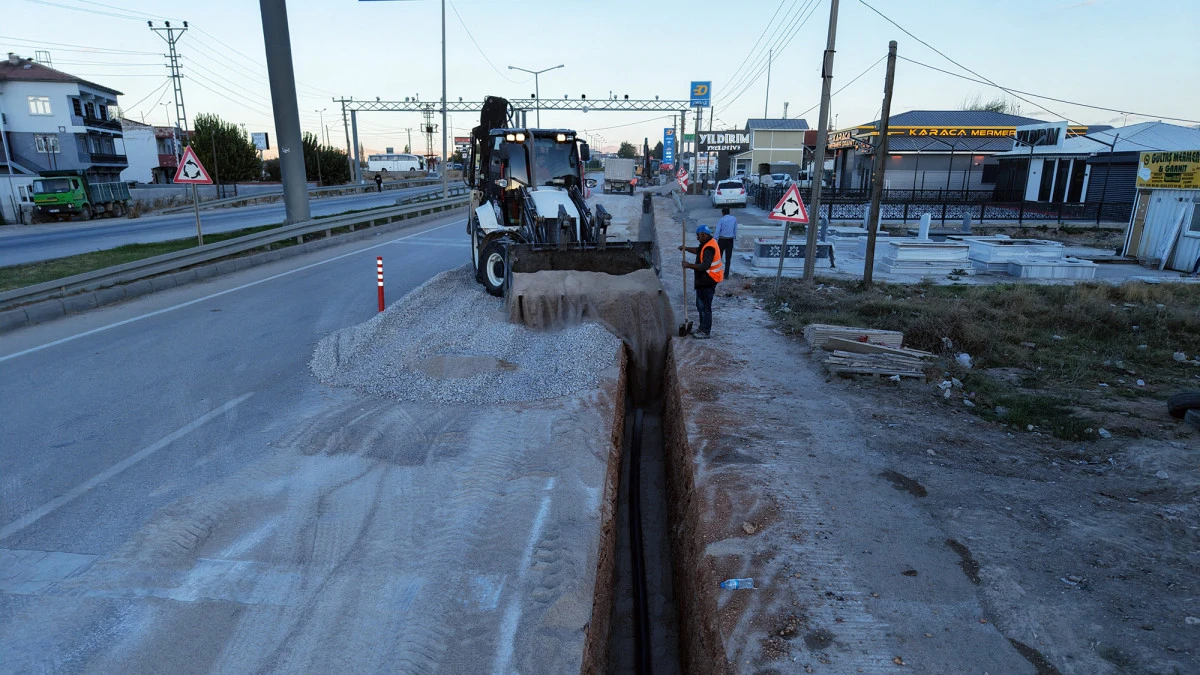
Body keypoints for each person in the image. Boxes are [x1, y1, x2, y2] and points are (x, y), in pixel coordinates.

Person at [679, 224, 724, 339]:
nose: (697, 238)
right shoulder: (707, 243)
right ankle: (702, 328)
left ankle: (705, 331)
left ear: (703, 235)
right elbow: (698, 251)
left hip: (708, 280)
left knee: (705, 307)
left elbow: (705, 265)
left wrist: (689, 265)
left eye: (698, 236)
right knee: (700, 305)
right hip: (704, 280)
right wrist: (686, 248)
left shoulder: (710, 247)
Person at [714, 206, 738, 277]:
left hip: (722, 240)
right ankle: (726, 274)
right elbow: (735, 229)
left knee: (719, 257)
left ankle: (718, 273)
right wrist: (735, 237)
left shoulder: (721, 220)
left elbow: (718, 230)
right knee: (728, 258)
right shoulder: (734, 219)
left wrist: (715, 238)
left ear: (723, 213)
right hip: (730, 240)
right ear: (729, 212)